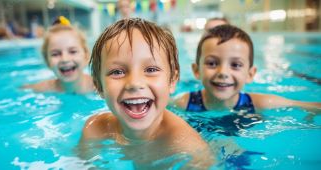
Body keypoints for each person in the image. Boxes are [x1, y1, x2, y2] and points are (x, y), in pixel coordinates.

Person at [79, 18, 213, 169]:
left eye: (151, 70)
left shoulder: (188, 148)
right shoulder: (94, 129)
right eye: (117, 72)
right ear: (99, 86)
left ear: (173, 80)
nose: (135, 83)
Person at [172, 25, 321, 135]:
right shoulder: (183, 103)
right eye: (212, 63)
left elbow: (311, 106)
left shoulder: (259, 103)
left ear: (250, 74)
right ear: (196, 70)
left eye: (235, 65)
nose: (223, 72)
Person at [23, 16, 95, 94]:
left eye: (72, 51)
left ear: (86, 56)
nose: (65, 59)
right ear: (47, 61)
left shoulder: (98, 87)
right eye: (56, 54)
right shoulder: (43, 88)